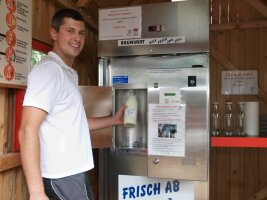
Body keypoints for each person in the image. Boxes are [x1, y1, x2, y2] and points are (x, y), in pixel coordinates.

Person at [19, 8, 125, 200]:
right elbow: (27, 129)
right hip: (61, 176)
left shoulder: (66, 72)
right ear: (54, 33)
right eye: (70, 31)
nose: (77, 37)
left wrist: (114, 120)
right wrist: (36, 193)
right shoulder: (49, 71)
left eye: (81, 32)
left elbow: (77, 123)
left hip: (73, 173)